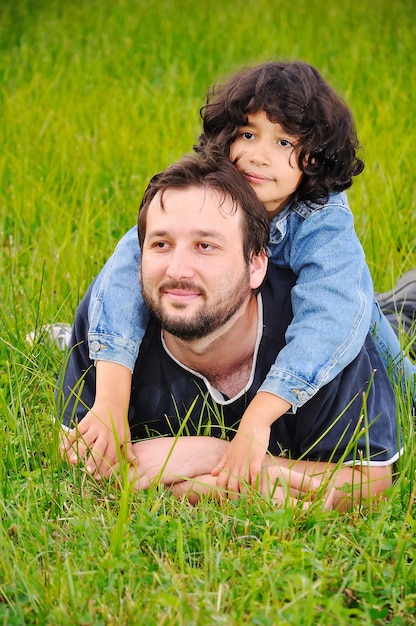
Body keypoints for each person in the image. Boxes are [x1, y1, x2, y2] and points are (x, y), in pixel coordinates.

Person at [62, 60, 414, 493]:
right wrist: (111, 400)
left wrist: (258, 417)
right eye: (247, 133)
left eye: (285, 141)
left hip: (346, 327)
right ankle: (69, 334)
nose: (257, 155)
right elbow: (123, 274)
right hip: (236, 311)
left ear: (315, 156)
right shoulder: (202, 194)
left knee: (392, 356)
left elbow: (332, 319)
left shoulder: (321, 219)